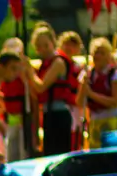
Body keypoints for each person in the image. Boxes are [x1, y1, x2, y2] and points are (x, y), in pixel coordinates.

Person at [26, 22, 79, 156]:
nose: (43, 49)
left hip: (60, 114)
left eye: (46, 45)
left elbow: (41, 87)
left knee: (59, 153)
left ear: (53, 43)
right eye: (39, 47)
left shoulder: (58, 63)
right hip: (48, 114)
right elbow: (36, 93)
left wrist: (29, 70)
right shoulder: (44, 65)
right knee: (49, 153)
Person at [77, 38, 117, 148]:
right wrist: (83, 85)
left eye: (102, 53)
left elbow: (115, 102)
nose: (98, 56)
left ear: (108, 56)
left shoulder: (114, 75)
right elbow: (79, 102)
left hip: (112, 120)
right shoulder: (87, 74)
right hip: (95, 121)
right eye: (96, 53)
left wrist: (91, 94)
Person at [0, 38, 32, 161]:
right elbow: (1, 95)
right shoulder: (4, 74)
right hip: (11, 118)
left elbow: (32, 93)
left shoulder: (24, 71)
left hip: (23, 116)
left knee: (23, 152)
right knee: (11, 151)